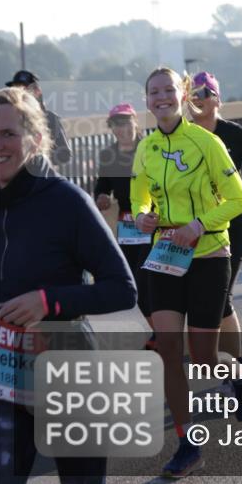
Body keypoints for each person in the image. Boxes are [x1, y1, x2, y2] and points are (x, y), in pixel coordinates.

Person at [0, 87, 137, 484]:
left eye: (7, 134)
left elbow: (122, 289)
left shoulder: (66, 201)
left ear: (35, 138)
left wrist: (48, 301)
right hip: (3, 369)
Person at [130, 67, 242, 478]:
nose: (161, 97)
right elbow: (139, 200)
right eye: (154, 92)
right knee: (168, 350)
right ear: (147, 100)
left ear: (183, 95)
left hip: (207, 255)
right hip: (165, 256)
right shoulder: (146, 146)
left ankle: (239, 373)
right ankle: (187, 443)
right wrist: (144, 217)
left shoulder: (207, 142)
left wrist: (199, 225)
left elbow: (239, 199)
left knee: (203, 358)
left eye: (169, 90)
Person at [190, 72, 242, 363]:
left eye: (204, 93)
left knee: (221, 297)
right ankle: (217, 362)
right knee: (199, 300)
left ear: (217, 99)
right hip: (193, 226)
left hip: (231, 223)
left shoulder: (233, 134)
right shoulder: (183, 135)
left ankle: (236, 370)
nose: (198, 98)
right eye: (192, 93)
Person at [94, 102, 153, 337]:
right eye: (116, 125)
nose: (122, 129)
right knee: (135, 283)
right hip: (127, 223)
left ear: (135, 122)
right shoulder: (108, 154)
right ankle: (157, 330)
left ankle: (166, 328)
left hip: (152, 219)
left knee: (150, 276)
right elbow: (103, 184)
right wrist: (101, 195)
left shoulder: (149, 147)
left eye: (126, 123)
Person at [4, 70, 72, 168]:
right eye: (16, 90)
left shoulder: (49, 118)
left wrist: (37, 157)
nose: (21, 94)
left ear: (37, 92)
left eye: (25, 89)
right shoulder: (6, 118)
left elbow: (64, 155)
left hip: (41, 178)